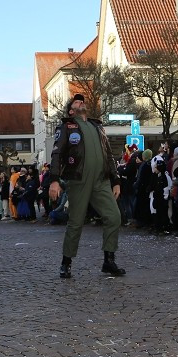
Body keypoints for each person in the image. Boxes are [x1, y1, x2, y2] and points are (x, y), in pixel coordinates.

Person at [48, 94, 125, 279]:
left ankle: (109, 259)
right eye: (76, 101)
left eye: (82, 101)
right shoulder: (67, 126)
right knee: (75, 222)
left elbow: (108, 154)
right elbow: (57, 153)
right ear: (71, 110)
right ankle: (66, 262)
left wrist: (115, 180)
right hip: (78, 179)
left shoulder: (97, 126)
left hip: (101, 180)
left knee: (114, 216)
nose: (81, 102)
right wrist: (54, 180)